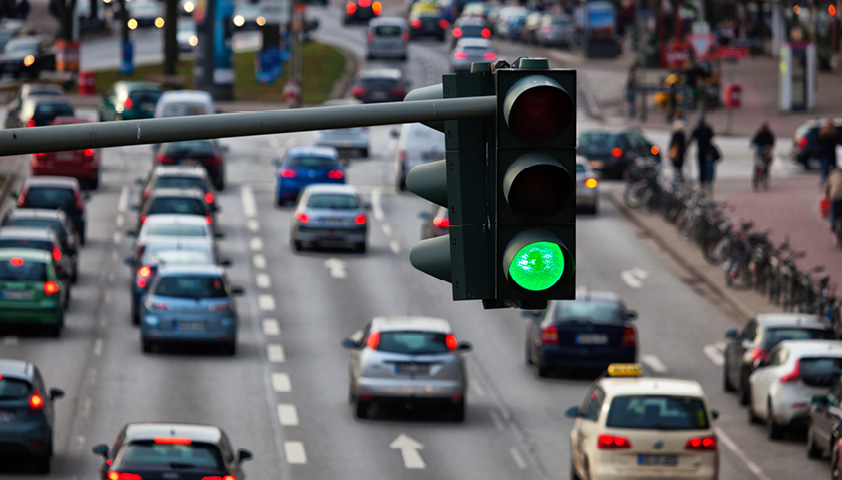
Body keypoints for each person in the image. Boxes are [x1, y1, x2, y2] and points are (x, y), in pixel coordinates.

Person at [689, 117, 715, 195]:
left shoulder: (697, 129)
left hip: (701, 151)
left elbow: (692, 138)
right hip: (708, 151)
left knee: (701, 166)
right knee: (708, 166)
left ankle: (702, 181)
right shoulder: (708, 129)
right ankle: (707, 181)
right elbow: (712, 136)